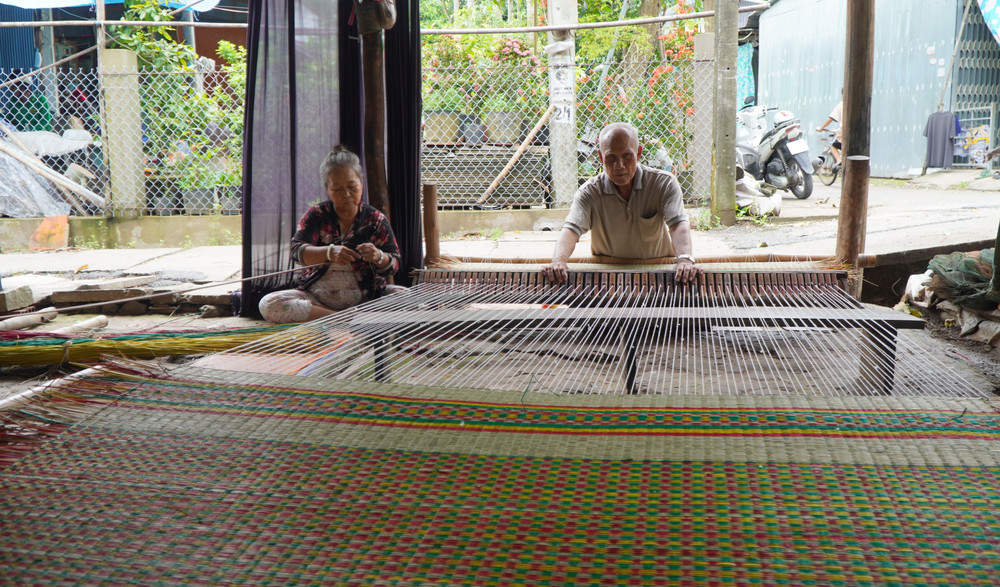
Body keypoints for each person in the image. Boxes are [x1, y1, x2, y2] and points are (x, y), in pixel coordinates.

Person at [541, 122, 703, 284]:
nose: (619, 166)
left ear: (638, 153)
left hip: (658, 273)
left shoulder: (663, 183)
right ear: (601, 157)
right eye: (611, 157)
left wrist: (685, 260)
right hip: (607, 278)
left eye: (627, 155)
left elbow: (677, 224)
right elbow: (571, 230)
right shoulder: (589, 192)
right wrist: (558, 261)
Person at [258, 146, 403, 323]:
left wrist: (378, 256)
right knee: (269, 304)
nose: (347, 194)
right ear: (327, 188)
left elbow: (395, 263)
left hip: (368, 299)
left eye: (352, 186)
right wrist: (329, 252)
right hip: (317, 299)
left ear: (362, 182)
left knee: (407, 297)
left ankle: (343, 319)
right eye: (337, 189)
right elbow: (296, 251)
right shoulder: (317, 215)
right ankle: (342, 319)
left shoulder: (376, 219)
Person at [816, 92, 843, 167]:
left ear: (842, 95)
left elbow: (831, 118)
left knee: (833, 146)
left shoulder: (842, 104)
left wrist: (821, 128)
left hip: (844, 131)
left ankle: (839, 160)